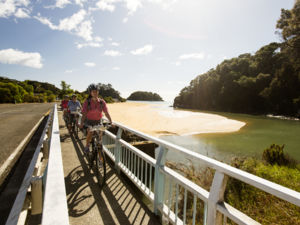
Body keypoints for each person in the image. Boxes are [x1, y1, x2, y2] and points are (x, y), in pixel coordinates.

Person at [80, 84, 113, 153]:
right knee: (90, 131)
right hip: (88, 121)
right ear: (90, 93)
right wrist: (81, 123)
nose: (95, 93)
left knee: (100, 132)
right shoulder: (87, 102)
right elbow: (84, 114)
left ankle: (98, 145)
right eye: (93, 91)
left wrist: (111, 122)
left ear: (98, 92)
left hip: (98, 121)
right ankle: (87, 145)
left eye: (96, 91)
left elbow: (106, 113)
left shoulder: (101, 102)